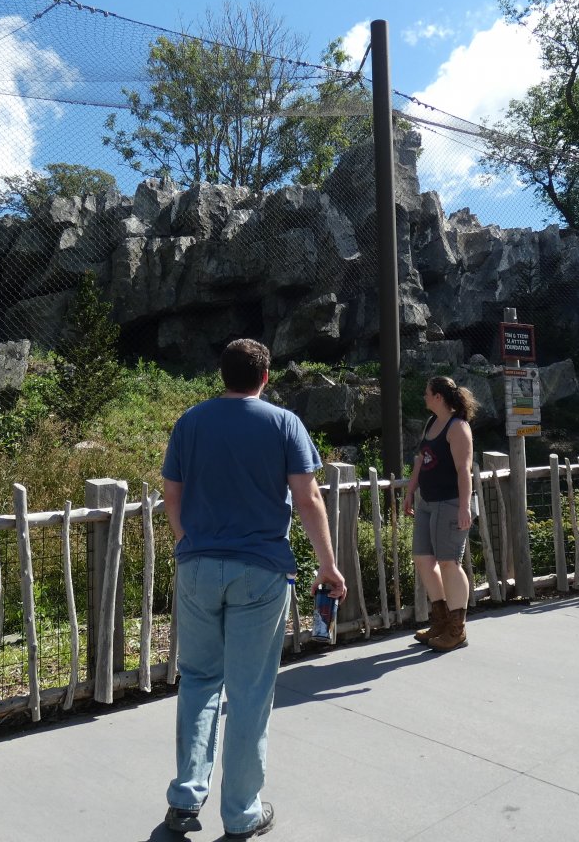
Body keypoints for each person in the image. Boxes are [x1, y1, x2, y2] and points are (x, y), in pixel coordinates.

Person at [161, 338, 347, 839]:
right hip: (261, 570)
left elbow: (171, 495)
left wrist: (188, 541)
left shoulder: (191, 422)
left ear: (221, 374)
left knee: (199, 680)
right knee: (249, 692)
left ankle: (185, 797)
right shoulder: (284, 424)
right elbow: (307, 500)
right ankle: (242, 813)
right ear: (265, 378)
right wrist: (328, 565)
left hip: (198, 565)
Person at [402, 375, 477, 652]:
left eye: (427, 393)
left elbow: (463, 470)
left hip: (450, 502)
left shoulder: (458, 427)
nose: (424, 397)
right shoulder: (431, 423)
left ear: (438, 397)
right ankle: (441, 621)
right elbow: (421, 460)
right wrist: (410, 491)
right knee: (423, 559)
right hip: (427, 501)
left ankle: (457, 630)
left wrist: (463, 507)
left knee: (449, 563)